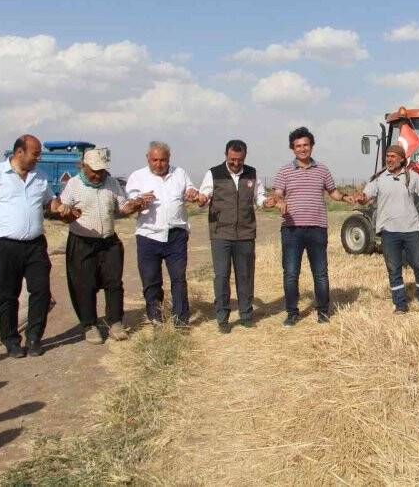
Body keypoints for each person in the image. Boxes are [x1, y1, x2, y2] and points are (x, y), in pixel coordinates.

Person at [0, 135, 62, 358]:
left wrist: (60, 207)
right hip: (3, 246)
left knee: (41, 291)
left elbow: (50, 202)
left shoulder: (40, 177)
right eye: (35, 153)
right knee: (7, 295)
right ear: (19, 153)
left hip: (35, 244)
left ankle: (35, 337)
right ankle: (11, 340)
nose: (39, 158)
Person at [352, 144, 419, 313]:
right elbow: (366, 197)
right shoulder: (379, 178)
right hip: (388, 232)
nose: (389, 159)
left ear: (402, 159)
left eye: (393, 156)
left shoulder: (412, 177)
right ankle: (400, 305)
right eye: (388, 156)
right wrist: (360, 197)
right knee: (394, 270)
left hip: (412, 231)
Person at [57, 147, 146, 344]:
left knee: (114, 283)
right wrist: (67, 212)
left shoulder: (112, 183)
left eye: (101, 171)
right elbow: (63, 210)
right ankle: (89, 325)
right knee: (84, 285)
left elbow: (122, 207)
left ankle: (115, 322)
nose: (98, 175)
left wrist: (134, 205)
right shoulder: (73, 184)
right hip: (82, 242)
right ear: (84, 166)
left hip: (109, 241)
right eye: (94, 171)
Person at [270, 127, 356, 326]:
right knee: (291, 273)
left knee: (320, 272)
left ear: (312, 146)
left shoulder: (322, 170)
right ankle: (292, 313)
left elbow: (333, 192)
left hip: (317, 228)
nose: (302, 149)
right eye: (298, 146)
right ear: (292, 148)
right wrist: (279, 201)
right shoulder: (284, 170)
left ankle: (323, 312)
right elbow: (278, 193)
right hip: (292, 229)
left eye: (305, 145)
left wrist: (345, 197)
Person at [125, 141, 201, 328]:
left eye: (163, 160)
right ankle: (155, 315)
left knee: (178, 277)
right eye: (155, 160)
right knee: (151, 278)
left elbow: (190, 191)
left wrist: (192, 193)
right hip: (148, 235)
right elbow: (130, 201)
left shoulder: (179, 173)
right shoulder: (138, 177)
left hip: (176, 234)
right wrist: (139, 201)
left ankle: (180, 319)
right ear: (148, 159)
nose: (159, 164)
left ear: (169, 159)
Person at [197, 139, 270, 334]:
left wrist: (267, 202)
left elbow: (259, 197)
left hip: (245, 233)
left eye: (240, 159)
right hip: (221, 234)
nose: (236, 163)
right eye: (232, 159)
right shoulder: (213, 173)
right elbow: (203, 197)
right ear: (226, 155)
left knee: (245, 275)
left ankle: (246, 315)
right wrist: (202, 199)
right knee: (221, 276)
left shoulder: (252, 173)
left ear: (245, 157)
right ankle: (222, 318)